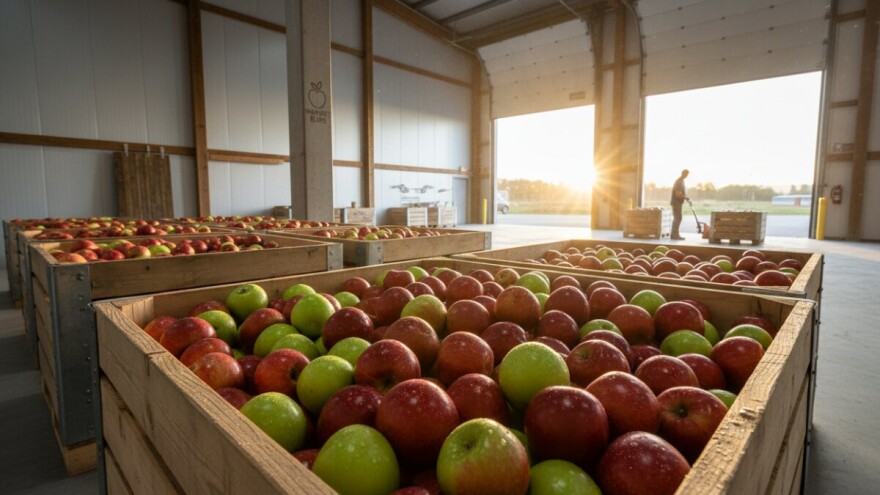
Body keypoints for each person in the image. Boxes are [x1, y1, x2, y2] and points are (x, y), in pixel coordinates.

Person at [670, 169, 690, 240]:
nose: (687, 176)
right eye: (687, 174)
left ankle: (674, 234)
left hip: (678, 202)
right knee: (678, 218)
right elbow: (677, 193)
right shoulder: (678, 181)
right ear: (684, 174)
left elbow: (680, 193)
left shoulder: (682, 181)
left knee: (677, 218)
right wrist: (685, 197)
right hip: (676, 202)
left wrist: (685, 197)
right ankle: (675, 235)